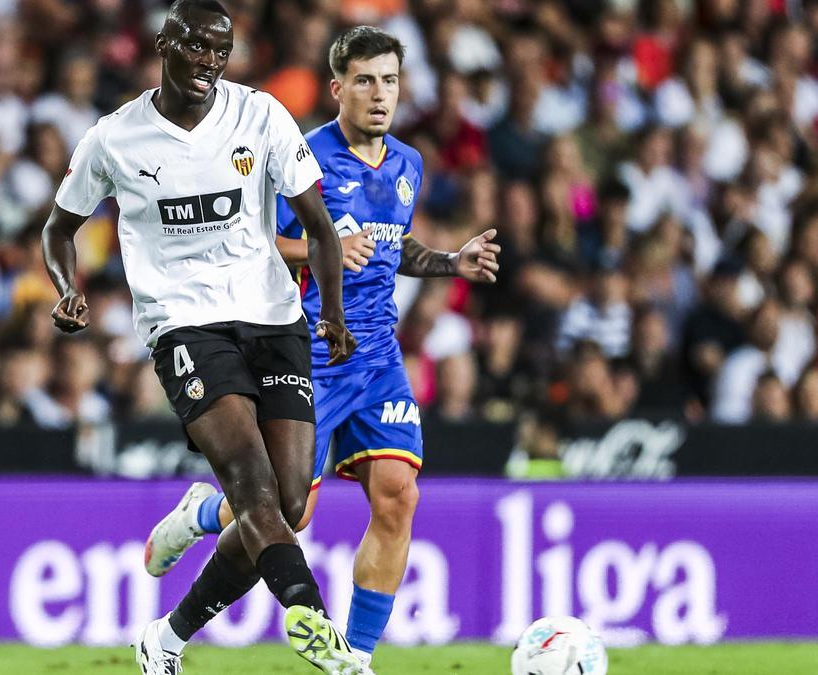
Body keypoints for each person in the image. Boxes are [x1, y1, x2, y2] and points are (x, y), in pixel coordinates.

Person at [142, 25, 500, 669]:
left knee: (399, 493)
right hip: (305, 351)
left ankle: (355, 659)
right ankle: (200, 518)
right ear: (338, 89)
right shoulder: (298, 156)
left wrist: (452, 260)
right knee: (286, 514)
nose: (379, 94)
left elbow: (394, 249)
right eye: (365, 80)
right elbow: (246, 238)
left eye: (389, 80)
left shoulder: (408, 165)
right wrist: (320, 246)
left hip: (379, 356)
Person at [39, 2, 367, 673]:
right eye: (197, 47)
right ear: (164, 43)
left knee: (290, 503)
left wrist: (332, 313)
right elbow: (56, 229)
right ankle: (313, 618)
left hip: (273, 317)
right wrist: (66, 288)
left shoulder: (261, 115)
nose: (209, 63)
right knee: (255, 489)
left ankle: (169, 629)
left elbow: (321, 228)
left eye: (222, 52)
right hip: (183, 323)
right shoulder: (114, 138)